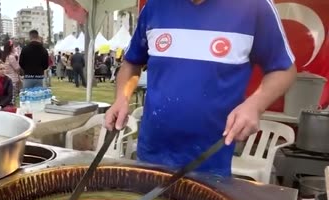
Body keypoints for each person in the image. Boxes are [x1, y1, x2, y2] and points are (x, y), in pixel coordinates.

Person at [104, 0, 296, 177]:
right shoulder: (155, 5)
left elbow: (284, 69)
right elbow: (131, 63)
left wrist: (255, 104)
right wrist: (122, 98)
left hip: (210, 157)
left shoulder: (255, 5)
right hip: (152, 152)